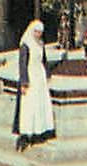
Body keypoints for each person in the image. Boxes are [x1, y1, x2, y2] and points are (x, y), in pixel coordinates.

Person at [13, 18, 55, 151]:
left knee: (40, 104)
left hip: (39, 77)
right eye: (36, 31)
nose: (38, 34)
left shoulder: (40, 43)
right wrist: (24, 82)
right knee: (29, 105)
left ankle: (40, 131)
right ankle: (26, 134)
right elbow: (23, 64)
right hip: (31, 75)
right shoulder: (26, 44)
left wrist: (47, 74)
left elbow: (44, 60)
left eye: (40, 32)